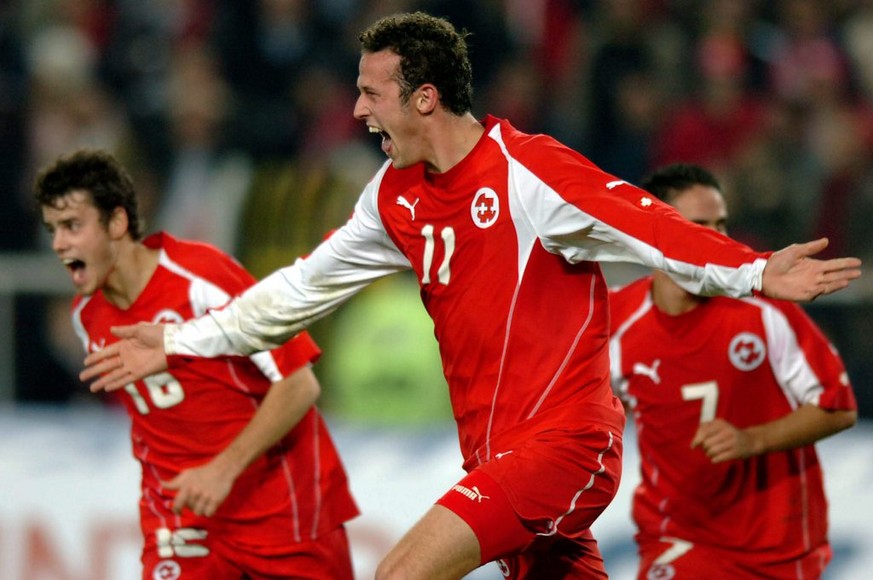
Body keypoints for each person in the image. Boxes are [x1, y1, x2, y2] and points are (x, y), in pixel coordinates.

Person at [80, 12, 862, 580]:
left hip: (563, 447)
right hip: (496, 453)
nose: (356, 111)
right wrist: (182, 339)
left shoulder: (527, 172)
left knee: (397, 578)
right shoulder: (391, 197)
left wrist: (754, 272)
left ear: (423, 98)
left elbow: (649, 226)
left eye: (370, 93)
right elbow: (295, 292)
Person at [35, 148, 359, 580]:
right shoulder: (85, 315)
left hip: (284, 511)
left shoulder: (202, 277)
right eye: (53, 229)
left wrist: (221, 470)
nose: (59, 244)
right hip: (182, 518)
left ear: (116, 222)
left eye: (73, 226)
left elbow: (300, 385)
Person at [608, 163, 858, 579]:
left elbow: (838, 407)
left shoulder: (764, 311)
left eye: (721, 225)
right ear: (650, 235)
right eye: (697, 225)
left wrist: (751, 439)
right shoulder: (615, 322)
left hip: (776, 546)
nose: (715, 239)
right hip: (677, 534)